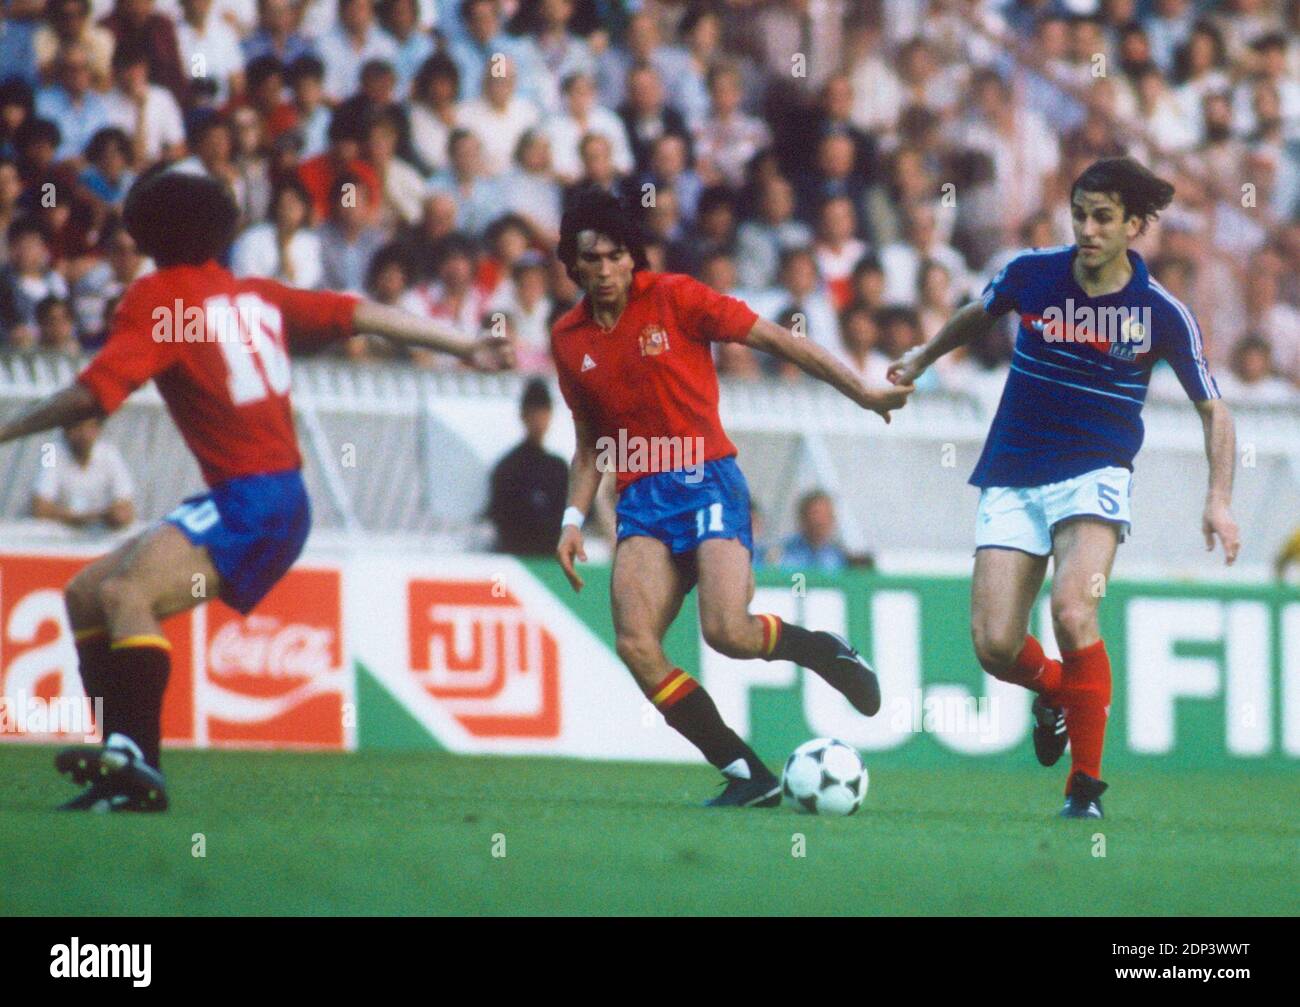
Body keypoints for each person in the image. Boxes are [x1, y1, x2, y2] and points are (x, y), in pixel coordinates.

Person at [0, 168, 513, 813]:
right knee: (84, 594)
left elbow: (92, 394)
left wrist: (7, 429)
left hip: (253, 497)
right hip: (271, 498)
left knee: (125, 592)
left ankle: (136, 764)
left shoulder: (159, 298)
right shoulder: (254, 295)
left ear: (146, 231)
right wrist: (464, 344)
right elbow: (360, 314)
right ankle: (124, 760)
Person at [888, 157, 1240, 820]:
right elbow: (978, 311)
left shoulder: (1160, 312)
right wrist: (921, 357)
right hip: (1014, 468)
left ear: (1135, 225)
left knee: (1074, 610)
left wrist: (1218, 498)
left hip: (1095, 471)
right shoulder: (1033, 273)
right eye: (1079, 213)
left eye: (1103, 216)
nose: (1087, 228)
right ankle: (1055, 691)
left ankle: (1085, 788)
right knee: (995, 644)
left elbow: (1214, 410)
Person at [551, 189, 912, 808]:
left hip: (707, 479)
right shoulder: (568, 337)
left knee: (727, 632)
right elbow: (591, 442)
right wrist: (571, 517)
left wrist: (861, 391)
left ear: (633, 259)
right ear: (575, 267)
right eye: (593, 260)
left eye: (616, 256)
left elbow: (779, 341)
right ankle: (747, 774)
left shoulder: (677, 298)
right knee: (636, 644)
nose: (607, 269)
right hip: (641, 498)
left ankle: (820, 649)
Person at [486, 378, 568, 556]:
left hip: (553, 557)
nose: (539, 419)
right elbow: (502, 518)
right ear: (523, 415)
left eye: (543, 412)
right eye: (534, 412)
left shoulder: (558, 469)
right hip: (518, 556)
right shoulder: (508, 469)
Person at [32, 415, 135, 529]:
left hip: (98, 540)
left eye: (90, 427)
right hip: (57, 539)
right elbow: (40, 509)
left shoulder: (110, 453)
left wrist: (114, 516)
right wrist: (90, 518)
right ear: (66, 430)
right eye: (77, 427)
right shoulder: (50, 452)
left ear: (98, 430)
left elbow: (126, 510)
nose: (84, 435)